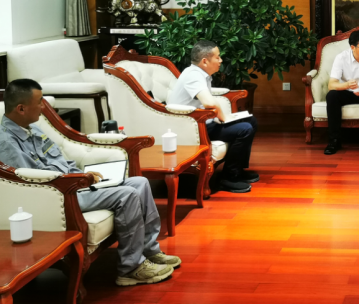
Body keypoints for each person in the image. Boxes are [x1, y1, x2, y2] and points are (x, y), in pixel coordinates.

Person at [0, 79, 181, 287]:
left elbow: (62, 162)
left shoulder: (32, 129)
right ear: (21, 108)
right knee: (127, 195)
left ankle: (149, 250)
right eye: (40, 101)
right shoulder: (6, 143)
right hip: (61, 197)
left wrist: (83, 175)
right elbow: (33, 184)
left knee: (140, 183)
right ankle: (131, 268)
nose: (43, 106)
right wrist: (77, 182)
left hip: (73, 185)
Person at [167, 40, 258, 194]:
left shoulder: (199, 74)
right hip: (192, 129)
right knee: (244, 129)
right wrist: (225, 119)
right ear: (205, 61)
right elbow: (209, 102)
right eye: (217, 57)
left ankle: (237, 170)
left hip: (202, 123)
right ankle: (228, 178)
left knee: (251, 121)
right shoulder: (193, 75)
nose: (220, 60)